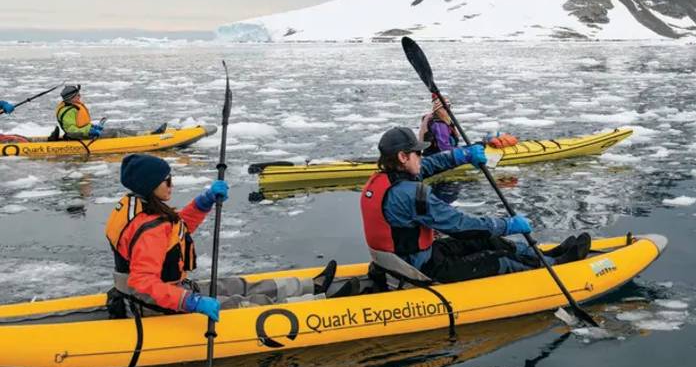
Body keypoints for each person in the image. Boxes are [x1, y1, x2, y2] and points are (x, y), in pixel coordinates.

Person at [105, 154, 341, 321]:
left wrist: (203, 202)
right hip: (152, 303)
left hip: (171, 288)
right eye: (166, 180)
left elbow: (174, 233)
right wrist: (190, 302)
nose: (171, 184)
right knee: (241, 305)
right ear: (149, 186)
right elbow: (143, 283)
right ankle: (318, 304)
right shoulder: (149, 228)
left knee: (235, 285)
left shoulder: (138, 206)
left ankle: (310, 285)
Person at [360, 127, 590, 285]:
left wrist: (461, 156)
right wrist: (507, 225)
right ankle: (558, 267)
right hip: (419, 269)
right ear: (402, 157)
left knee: (488, 241)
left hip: (412, 257)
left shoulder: (383, 179)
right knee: (499, 259)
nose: (421, 156)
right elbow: (461, 226)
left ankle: (545, 256)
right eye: (417, 152)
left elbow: (427, 166)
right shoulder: (411, 195)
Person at [55, 85, 159, 140]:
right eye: (77, 95)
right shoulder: (69, 111)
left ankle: (147, 134)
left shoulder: (74, 107)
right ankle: (143, 140)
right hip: (80, 136)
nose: (80, 96)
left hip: (85, 133)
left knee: (118, 129)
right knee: (114, 133)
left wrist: (94, 127)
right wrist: (90, 131)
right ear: (71, 98)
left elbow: (81, 125)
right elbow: (71, 130)